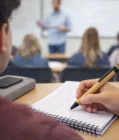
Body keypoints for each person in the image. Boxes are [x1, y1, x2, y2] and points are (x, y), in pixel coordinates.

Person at [0, 0, 82, 140]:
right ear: (2, 37)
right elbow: (45, 28)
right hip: (51, 42)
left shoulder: (14, 63)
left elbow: (69, 28)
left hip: (60, 42)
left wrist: (60, 29)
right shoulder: (51, 133)